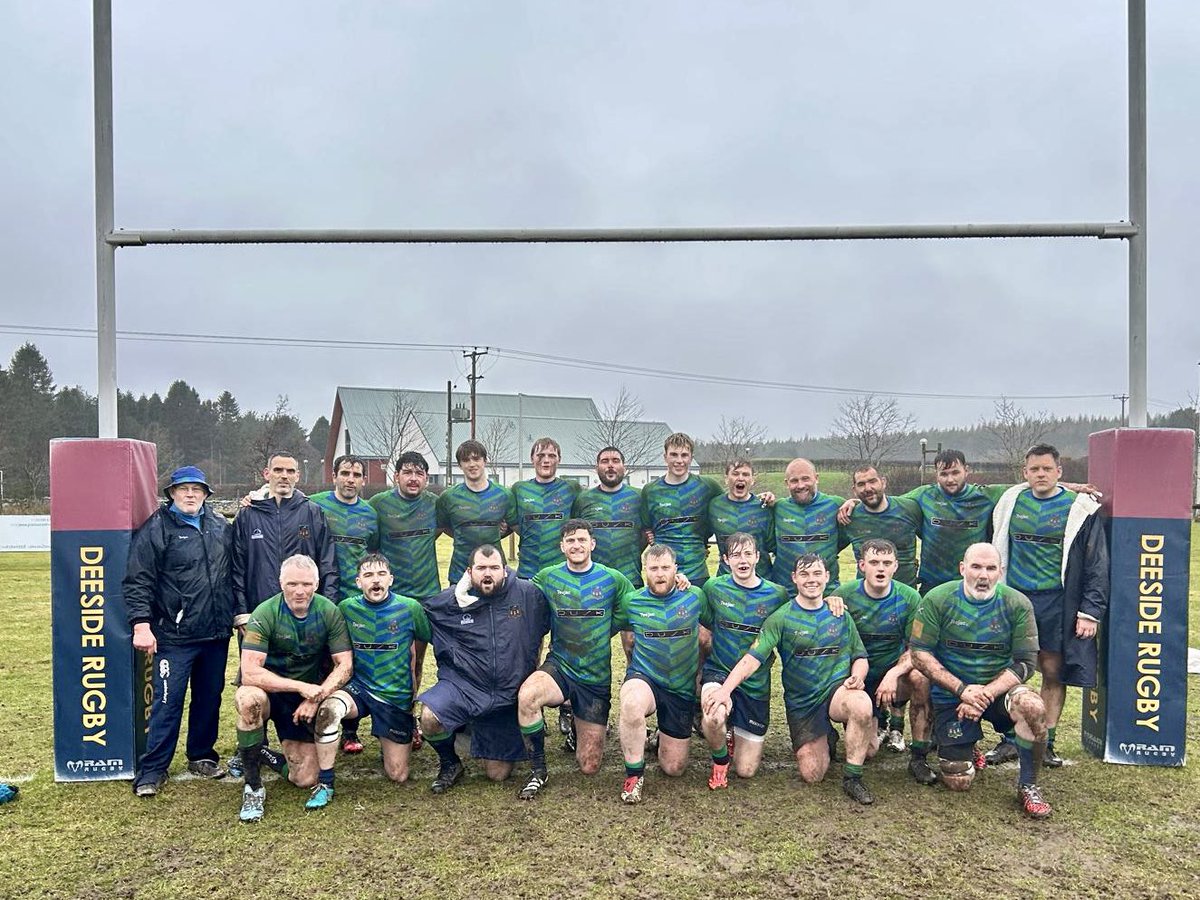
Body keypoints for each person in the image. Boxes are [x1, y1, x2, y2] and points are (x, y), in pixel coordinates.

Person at [705, 553, 877, 805]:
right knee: (812, 774)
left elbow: (860, 656)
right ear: (794, 578)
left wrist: (857, 677)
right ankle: (827, 736)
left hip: (836, 691)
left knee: (861, 704)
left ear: (827, 577)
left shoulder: (840, 614)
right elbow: (752, 659)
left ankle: (853, 777)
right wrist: (724, 691)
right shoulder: (781, 617)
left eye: (817, 574)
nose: (811, 580)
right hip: (803, 703)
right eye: (804, 574)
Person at [987, 443, 1108, 768]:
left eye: (1047, 469)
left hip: (1057, 601)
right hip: (1014, 599)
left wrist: (1090, 611)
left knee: (1053, 670)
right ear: (1024, 472)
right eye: (1034, 469)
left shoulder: (1080, 509)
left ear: (1059, 471)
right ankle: (1010, 739)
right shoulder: (1010, 500)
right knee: (1010, 670)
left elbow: (1097, 564)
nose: (1041, 474)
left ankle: (1045, 742)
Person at [909, 543, 1051, 819]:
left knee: (1032, 706)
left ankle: (1028, 785)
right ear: (962, 568)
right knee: (958, 781)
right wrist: (962, 690)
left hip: (997, 691)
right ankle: (967, 743)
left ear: (1000, 571)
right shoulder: (938, 599)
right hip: (954, 694)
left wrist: (983, 694)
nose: (983, 575)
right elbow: (919, 653)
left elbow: (1026, 663)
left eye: (990, 568)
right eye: (976, 567)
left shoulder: (1017, 603)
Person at [123, 465, 237, 796]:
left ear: (206, 494)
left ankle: (201, 756)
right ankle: (153, 770)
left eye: (196, 489)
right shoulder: (156, 528)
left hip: (215, 633)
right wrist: (141, 624)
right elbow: (138, 580)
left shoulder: (219, 525)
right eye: (183, 489)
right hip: (174, 637)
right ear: (172, 493)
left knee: (209, 698)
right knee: (167, 702)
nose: (190, 494)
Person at [515, 520, 634, 799]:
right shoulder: (547, 577)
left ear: (592, 543)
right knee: (527, 696)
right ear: (562, 546)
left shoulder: (613, 579)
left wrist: (680, 582)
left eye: (582, 540)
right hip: (560, 666)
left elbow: (639, 603)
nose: (576, 545)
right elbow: (517, 594)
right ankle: (538, 770)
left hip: (595, 677)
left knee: (589, 766)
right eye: (570, 540)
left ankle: (577, 728)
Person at [418, 544, 549, 793]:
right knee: (429, 717)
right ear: (469, 572)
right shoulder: (450, 600)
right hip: (464, 688)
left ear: (505, 570)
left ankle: (471, 733)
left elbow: (547, 625)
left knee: (497, 774)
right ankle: (450, 763)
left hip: (507, 695)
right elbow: (415, 614)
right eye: (480, 568)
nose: (487, 574)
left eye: (494, 568)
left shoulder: (528, 594)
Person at [234, 555, 354, 822]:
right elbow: (250, 672)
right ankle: (253, 787)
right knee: (248, 700)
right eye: (292, 584)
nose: (299, 591)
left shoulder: (329, 611)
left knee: (305, 778)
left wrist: (315, 697)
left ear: (317, 584)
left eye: (306, 584)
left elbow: (345, 665)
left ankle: (262, 753)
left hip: (302, 700)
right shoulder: (265, 612)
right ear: (281, 584)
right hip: (267, 691)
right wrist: (301, 686)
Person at [832, 539, 936, 785]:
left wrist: (893, 674)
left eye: (887, 563)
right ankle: (876, 720)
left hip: (893, 675)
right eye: (874, 562)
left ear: (896, 566)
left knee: (920, 677)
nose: (881, 568)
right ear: (862, 566)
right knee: (868, 752)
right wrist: (827, 601)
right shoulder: (844, 595)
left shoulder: (909, 597)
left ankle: (919, 757)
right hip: (858, 676)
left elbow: (916, 649)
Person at [614, 544, 708, 804]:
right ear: (645, 570)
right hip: (646, 678)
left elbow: (713, 630)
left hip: (680, 688)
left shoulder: (695, 597)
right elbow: (607, 625)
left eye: (665, 567)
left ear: (676, 569)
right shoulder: (632, 601)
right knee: (631, 703)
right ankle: (634, 775)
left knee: (674, 768)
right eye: (653, 568)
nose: (660, 573)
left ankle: (658, 738)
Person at [698, 532, 789, 788]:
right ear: (725, 560)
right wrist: (681, 581)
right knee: (714, 716)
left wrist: (831, 599)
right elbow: (699, 617)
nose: (743, 560)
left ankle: (733, 732)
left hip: (755, 683)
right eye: (736, 555)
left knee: (747, 770)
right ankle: (720, 761)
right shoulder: (713, 588)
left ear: (758, 557)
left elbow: (800, 610)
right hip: (719, 673)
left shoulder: (777, 595)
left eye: (748, 553)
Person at [336, 553, 431, 783]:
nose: (376, 580)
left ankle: (397, 728)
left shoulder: (410, 608)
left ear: (391, 579)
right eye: (368, 575)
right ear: (358, 582)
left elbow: (423, 650)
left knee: (398, 775)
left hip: (393, 695)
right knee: (329, 710)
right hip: (359, 689)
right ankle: (326, 778)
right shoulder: (346, 608)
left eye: (381, 574)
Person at [308, 453, 380, 753]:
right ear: (334, 475)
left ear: (363, 480)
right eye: (345, 473)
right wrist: (256, 495)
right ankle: (317, 723)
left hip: (355, 601)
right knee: (321, 660)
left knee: (352, 662)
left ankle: (350, 730)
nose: (350, 480)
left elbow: (373, 552)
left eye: (356, 475)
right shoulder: (315, 505)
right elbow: (282, 499)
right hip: (321, 599)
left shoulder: (370, 514)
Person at [232, 451, 337, 609]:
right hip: (259, 609)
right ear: (267, 474)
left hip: (303, 611)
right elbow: (237, 568)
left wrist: (327, 608)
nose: (284, 476)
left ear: (297, 476)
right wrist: (241, 611)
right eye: (278, 470)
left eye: (290, 471)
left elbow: (328, 565)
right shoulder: (247, 515)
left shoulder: (312, 512)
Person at [640, 432, 723, 586]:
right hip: (663, 573)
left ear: (691, 458)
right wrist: (650, 535)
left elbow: (729, 505)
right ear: (665, 457)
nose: (679, 460)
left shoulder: (708, 486)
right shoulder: (650, 491)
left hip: (696, 571)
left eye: (684, 455)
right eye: (674, 455)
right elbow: (645, 526)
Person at [436, 440, 517, 584]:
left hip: (494, 573)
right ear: (460, 465)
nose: (472, 464)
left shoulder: (504, 495)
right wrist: (462, 533)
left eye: (476, 459)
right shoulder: (448, 497)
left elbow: (515, 526)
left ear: (485, 461)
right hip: (460, 571)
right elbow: (442, 527)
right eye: (466, 460)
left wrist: (496, 532)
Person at [369, 451, 442, 601]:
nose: (413, 478)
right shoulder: (378, 504)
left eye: (419, 474)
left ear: (426, 478)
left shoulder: (435, 504)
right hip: (392, 594)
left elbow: (451, 528)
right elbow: (369, 543)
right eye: (407, 473)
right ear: (396, 476)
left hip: (429, 594)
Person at [770, 458, 848, 595]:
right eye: (794, 481)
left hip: (827, 594)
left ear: (816, 478)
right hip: (785, 594)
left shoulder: (836, 505)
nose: (800, 485)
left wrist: (854, 502)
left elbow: (860, 519)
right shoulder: (777, 508)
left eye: (805, 479)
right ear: (786, 483)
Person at [572, 445, 647, 586]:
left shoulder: (639, 497)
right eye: (605, 461)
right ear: (597, 468)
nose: (610, 465)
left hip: (630, 579)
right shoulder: (583, 499)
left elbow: (647, 533)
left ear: (624, 467)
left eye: (616, 461)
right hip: (593, 580)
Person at [837, 465, 921, 589]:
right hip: (866, 596)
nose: (868, 488)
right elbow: (831, 551)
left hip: (905, 595)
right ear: (854, 490)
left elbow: (931, 539)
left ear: (883, 482)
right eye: (861, 484)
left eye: (872, 481)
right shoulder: (849, 517)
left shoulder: (909, 508)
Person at [512, 437, 582, 579]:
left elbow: (580, 524)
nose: (546, 460)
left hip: (562, 571)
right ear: (532, 459)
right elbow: (511, 523)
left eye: (551, 456)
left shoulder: (571, 488)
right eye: (540, 455)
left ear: (559, 459)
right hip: (527, 570)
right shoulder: (519, 489)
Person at [708, 459, 775, 579]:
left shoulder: (764, 507)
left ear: (752, 480)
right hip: (726, 580)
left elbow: (774, 546)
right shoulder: (714, 506)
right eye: (735, 474)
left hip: (761, 580)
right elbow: (701, 534)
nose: (740, 478)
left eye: (745, 474)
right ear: (726, 478)